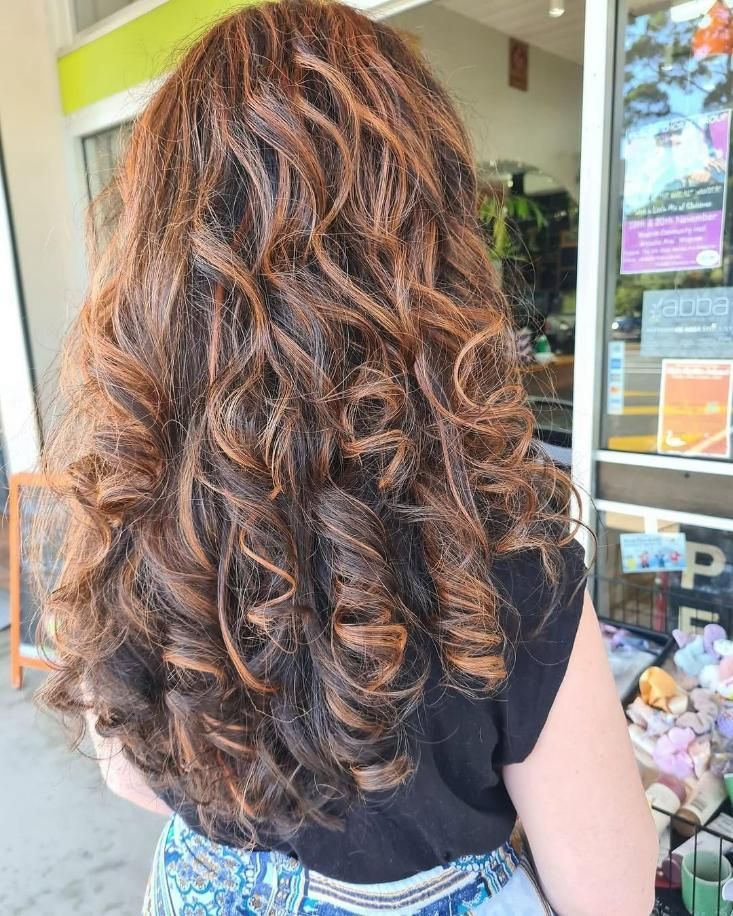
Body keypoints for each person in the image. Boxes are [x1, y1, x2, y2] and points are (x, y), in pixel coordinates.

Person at [38, 2, 657, 913]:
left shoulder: (123, 503)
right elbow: (612, 892)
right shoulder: (504, 560)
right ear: (430, 254)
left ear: (162, 264)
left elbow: (131, 774)